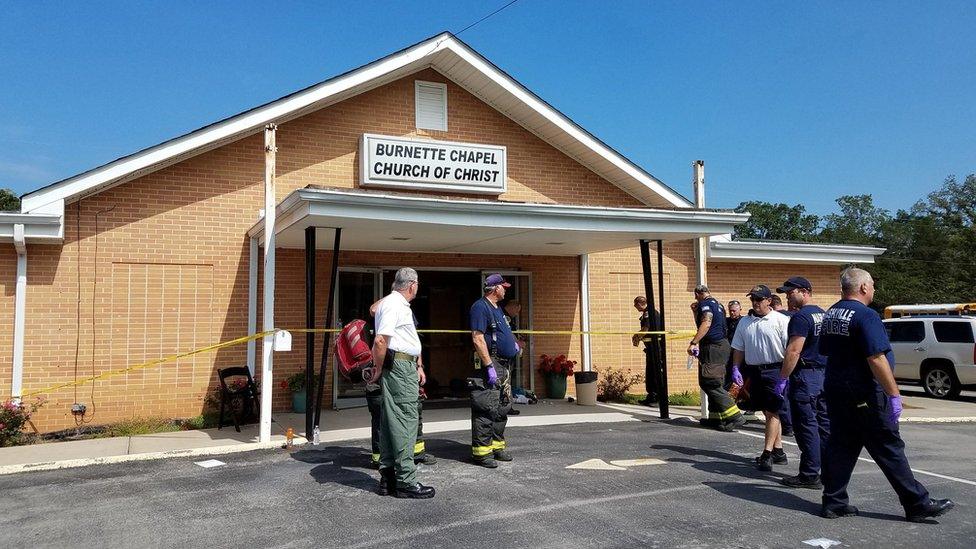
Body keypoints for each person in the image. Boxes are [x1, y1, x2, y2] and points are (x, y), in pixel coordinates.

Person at [818, 268, 953, 521]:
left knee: (841, 446)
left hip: (837, 389)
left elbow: (826, 350)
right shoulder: (866, 316)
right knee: (888, 446)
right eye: (872, 286)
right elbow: (876, 357)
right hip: (864, 392)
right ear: (863, 288)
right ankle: (917, 503)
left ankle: (833, 502)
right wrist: (893, 394)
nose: (874, 290)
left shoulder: (831, 313)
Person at [366, 267, 435, 499]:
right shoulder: (396, 305)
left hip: (401, 365)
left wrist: (417, 364)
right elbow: (380, 340)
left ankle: (389, 479)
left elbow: (374, 311)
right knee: (406, 420)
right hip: (399, 368)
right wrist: (378, 367)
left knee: (390, 421)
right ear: (412, 285)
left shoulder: (391, 303)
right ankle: (406, 481)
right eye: (417, 284)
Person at [730, 284, 791, 471]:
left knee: (773, 411)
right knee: (766, 410)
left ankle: (767, 454)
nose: (755, 303)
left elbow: (790, 350)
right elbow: (739, 348)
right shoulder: (744, 322)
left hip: (775, 370)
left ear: (768, 301)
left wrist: (785, 376)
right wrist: (735, 367)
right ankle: (778, 450)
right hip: (754, 371)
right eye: (752, 299)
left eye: (758, 299)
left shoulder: (781, 320)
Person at [776, 277, 829, 489]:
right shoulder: (824, 315)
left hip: (806, 376)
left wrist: (782, 378)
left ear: (805, 291)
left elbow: (794, 350)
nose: (787, 296)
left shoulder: (801, 317)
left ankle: (809, 474)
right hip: (824, 375)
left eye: (791, 292)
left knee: (806, 426)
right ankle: (829, 470)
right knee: (825, 426)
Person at [470, 273, 521, 468]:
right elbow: (478, 338)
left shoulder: (497, 309)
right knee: (486, 408)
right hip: (493, 365)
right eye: (503, 286)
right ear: (495, 288)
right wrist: (489, 366)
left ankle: (497, 447)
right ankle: (482, 453)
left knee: (502, 407)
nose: (505, 289)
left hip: (504, 366)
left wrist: (513, 345)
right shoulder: (480, 307)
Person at [688, 285, 745, 431]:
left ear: (698, 293)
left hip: (713, 347)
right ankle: (716, 418)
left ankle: (734, 415)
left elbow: (706, 323)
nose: (696, 299)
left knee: (710, 382)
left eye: (696, 296)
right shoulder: (718, 305)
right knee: (710, 381)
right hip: (719, 346)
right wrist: (695, 312)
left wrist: (694, 343)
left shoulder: (705, 304)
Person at [633, 296, 662, 405]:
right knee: (650, 372)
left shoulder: (649, 312)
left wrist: (636, 336)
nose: (635, 307)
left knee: (654, 372)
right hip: (651, 348)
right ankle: (651, 396)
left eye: (635, 305)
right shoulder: (649, 312)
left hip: (655, 347)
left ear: (640, 303)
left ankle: (657, 397)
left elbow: (646, 329)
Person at [502, 299, 525, 415]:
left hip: (508, 352)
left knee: (507, 380)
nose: (517, 314)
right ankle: (506, 406)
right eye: (517, 311)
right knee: (506, 380)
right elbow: (508, 333)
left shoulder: (507, 317)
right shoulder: (504, 316)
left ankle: (507, 405)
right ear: (512, 307)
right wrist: (518, 343)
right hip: (504, 354)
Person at [724, 300, 744, 390]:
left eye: (734, 311)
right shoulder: (725, 322)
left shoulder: (744, 321)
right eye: (730, 310)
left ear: (740, 309)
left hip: (741, 357)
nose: (732, 313)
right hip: (728, 357)